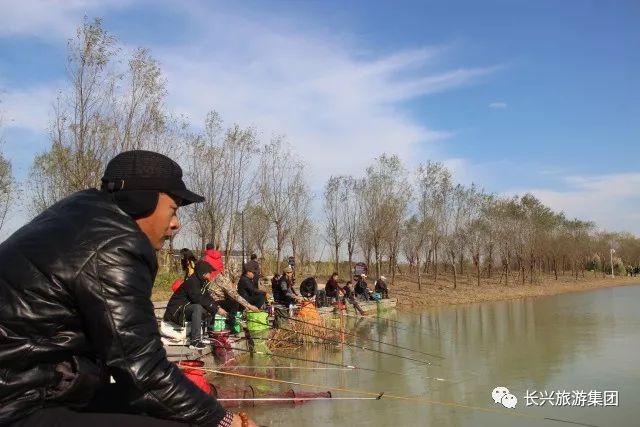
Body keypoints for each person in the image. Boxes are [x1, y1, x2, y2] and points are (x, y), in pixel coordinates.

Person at [0, 150, 257, 427]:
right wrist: (226, 421)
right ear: (140, 200)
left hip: (41, 387)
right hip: (19, 404)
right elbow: (144, 372)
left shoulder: (80, 216)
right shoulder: (114, 245)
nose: (175, 224)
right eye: (173, 208)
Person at [164, 260, 225, 349]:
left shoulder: (201, 282)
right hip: (176, 311)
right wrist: (216, 309)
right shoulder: (192, 282)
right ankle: (194, 341)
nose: (211, 275)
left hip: (185, 309)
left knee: (210, 307)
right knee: (198, 307)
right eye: (209, 273)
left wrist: (217, 307)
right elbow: (198, 299)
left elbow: (207, 298)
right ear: (203, 273)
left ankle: (209, 332)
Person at [206, 259, 260, 331]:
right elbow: (235, 295)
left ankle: (234, 321)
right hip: (214, 302)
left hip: (219, 300)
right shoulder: (223, 279)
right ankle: (232, 324)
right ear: (232, 271)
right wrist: (249, 306)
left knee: (237, 303)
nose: (238, 274)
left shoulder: (225, 277)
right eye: (237, 272)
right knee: (235, 303)